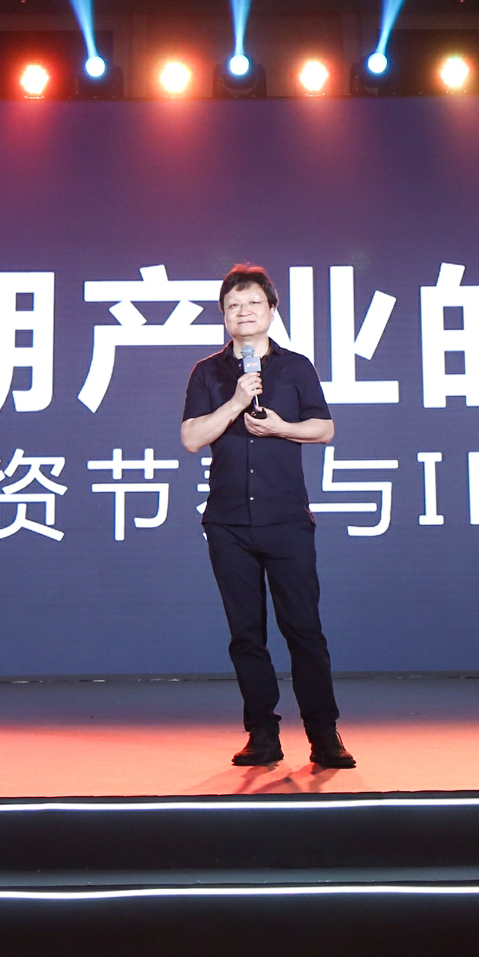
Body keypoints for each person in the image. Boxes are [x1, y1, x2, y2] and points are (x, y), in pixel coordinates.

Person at [180, 263, 353, 770]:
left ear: (272, 310)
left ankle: (323, 733)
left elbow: (324, 429)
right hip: (228, 522)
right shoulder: (208, 372)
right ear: (223, 315)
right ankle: (261, 733)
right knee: (245, 634)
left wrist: (281, 428)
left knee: (304, 630)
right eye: (233, 305)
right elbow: (191, 438)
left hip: (286, 519)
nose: (244, 312)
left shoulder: (296, 368)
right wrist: (235, 401)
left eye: (253, 303)